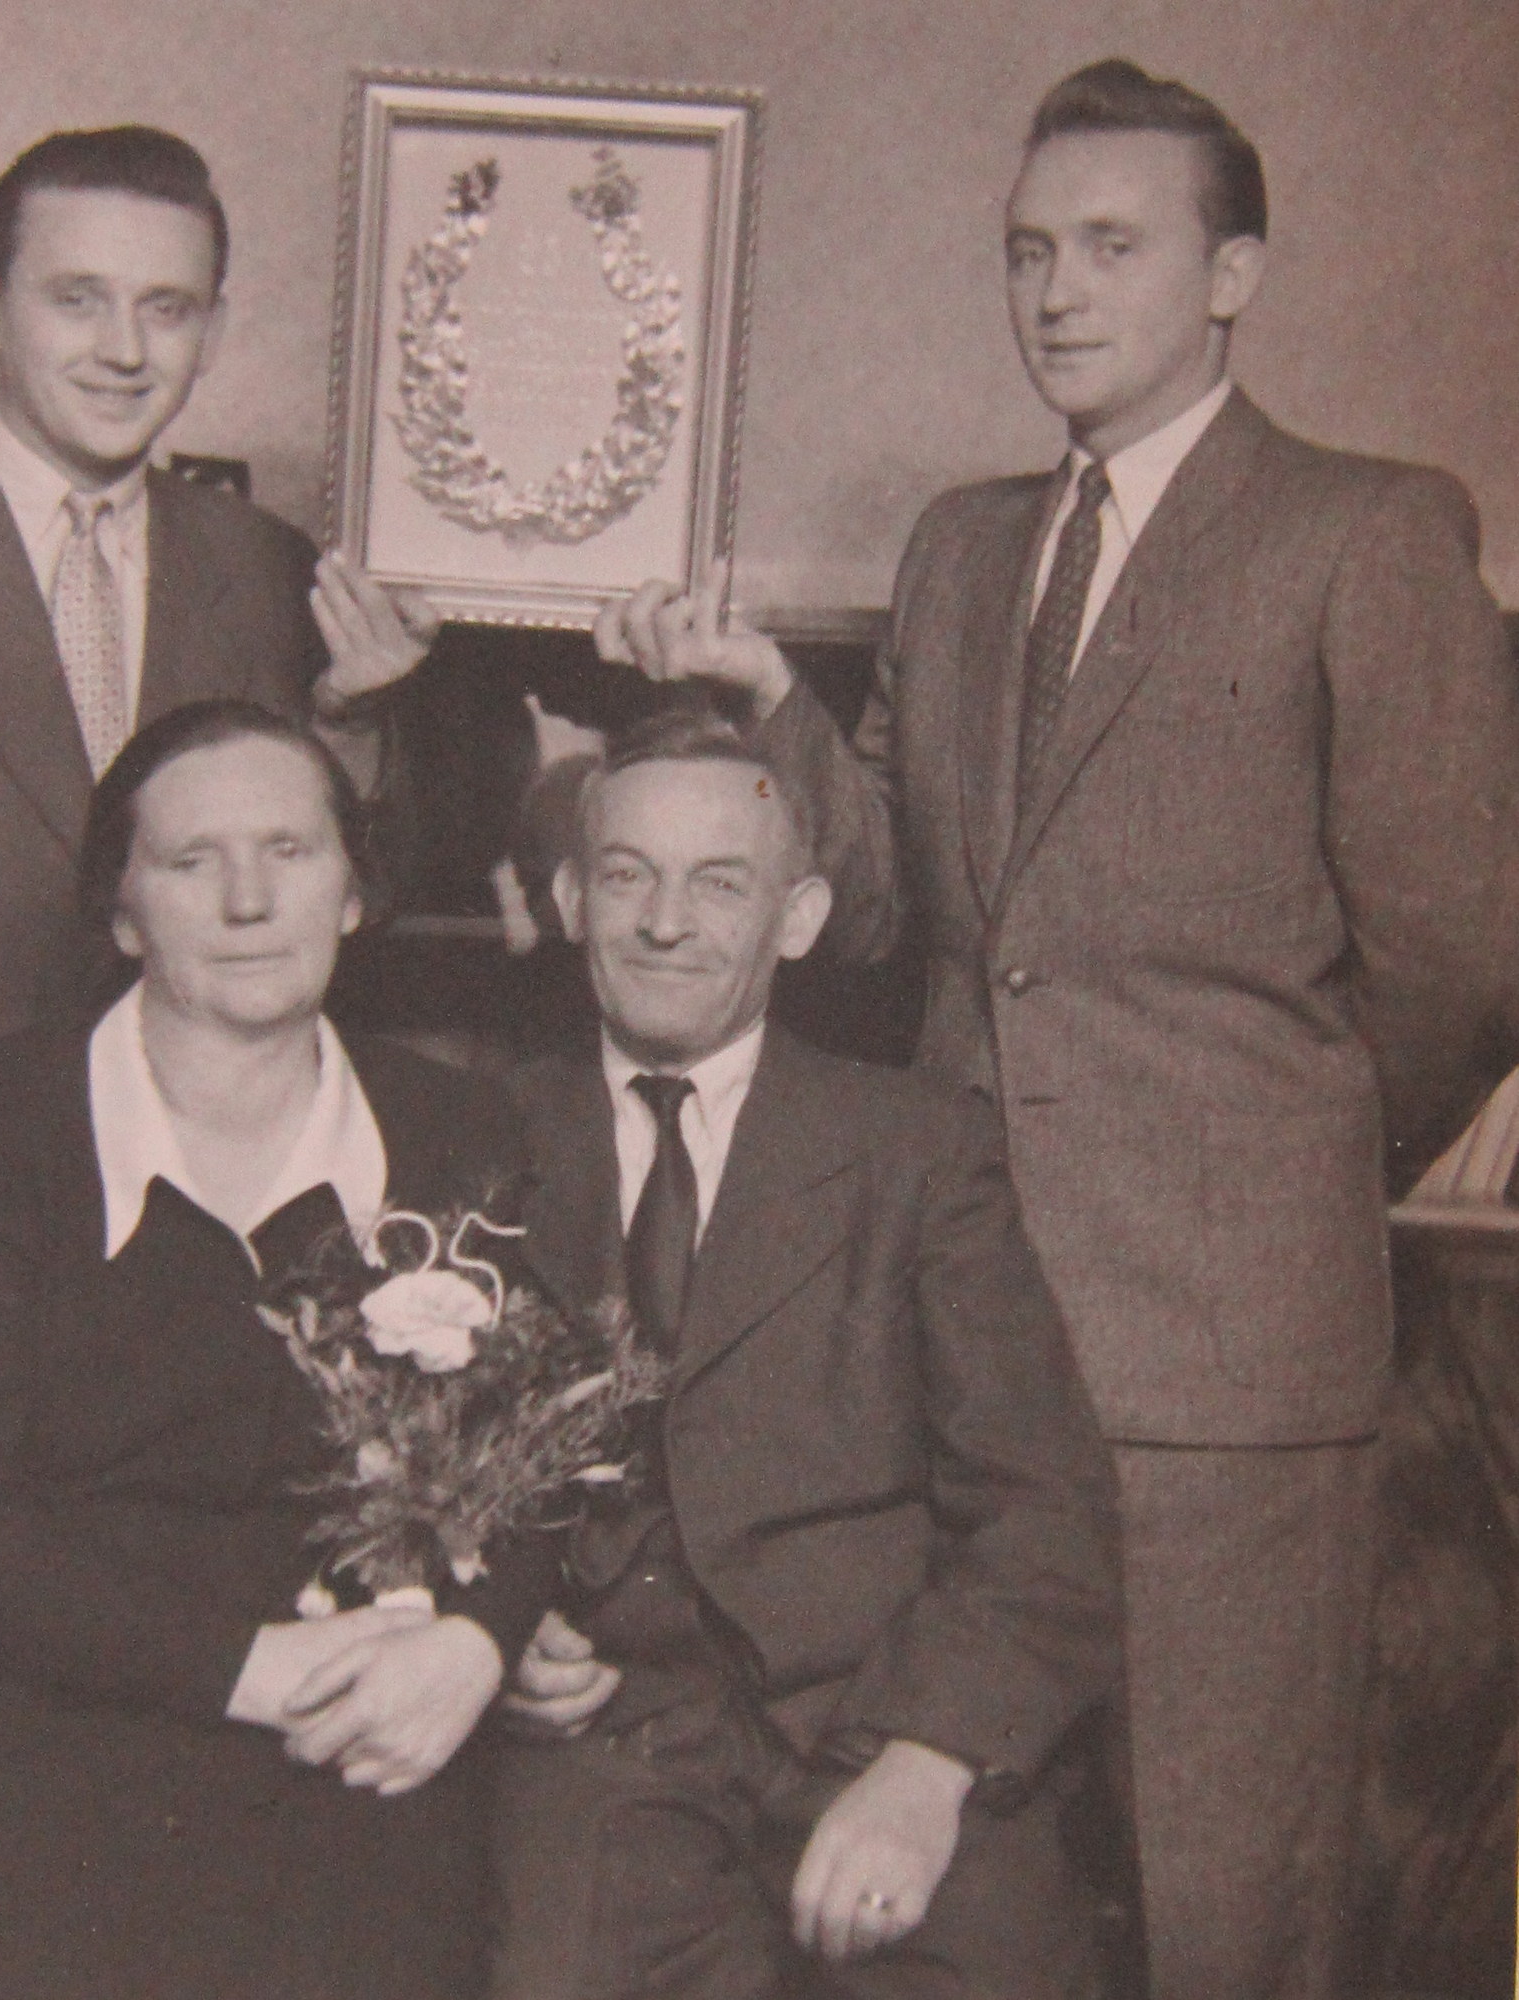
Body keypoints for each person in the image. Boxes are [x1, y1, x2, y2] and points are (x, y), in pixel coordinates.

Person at [589, 59, 1519, 2000]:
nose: (1055, 292)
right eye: (1026, 252)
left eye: (1109, 246)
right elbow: (887, 914)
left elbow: (1457, 954)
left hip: (1223, 1362)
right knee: (966, 1886)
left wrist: (1282, 1158)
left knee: (1214, 1897)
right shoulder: (959, 546)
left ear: (1231, 274)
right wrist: (766, 709)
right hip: (950, 1346)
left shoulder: (1364, 531)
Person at [0, 124, 427, 1725]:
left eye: (170, 306)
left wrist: (355, 727)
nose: (124, 348)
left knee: (103, 1728)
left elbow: (316, 885)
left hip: (159, 1288)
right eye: (77, 297)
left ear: (214, 325)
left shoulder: (264, 570)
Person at [0, 701, 547, 1999]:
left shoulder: (452, 1126)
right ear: (125, 915)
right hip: (30, 1753)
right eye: (193, 861)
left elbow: (534, 1454)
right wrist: (247, 1668)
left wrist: (476, 1643)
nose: (249, 901)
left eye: (290, 851)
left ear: (354, 892)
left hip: (345, 1761)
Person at [491, 709, 1121, 1999]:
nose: (667, 923)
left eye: (721, 884)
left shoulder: (919, 1148)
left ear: (800, 918)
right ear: (569, 901)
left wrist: (929, 1766)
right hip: (609, 1746)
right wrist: (494, 1628)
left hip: (880, 1720)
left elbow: (1045, 1512)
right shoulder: (479, 1136)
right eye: (628, 876)